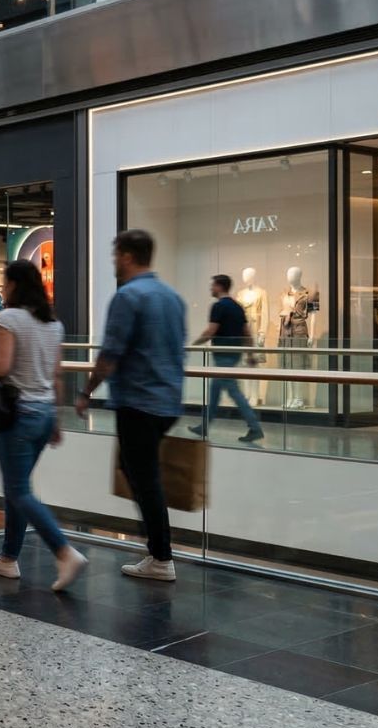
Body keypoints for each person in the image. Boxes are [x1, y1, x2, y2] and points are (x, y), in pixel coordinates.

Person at [0, 260, 88, 591]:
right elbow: (57, 375)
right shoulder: (53, 324)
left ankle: (64, 551)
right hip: (45, 413)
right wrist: (57, 421)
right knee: (16, 488)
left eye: (5, 284)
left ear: (15, 285)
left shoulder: (9, 319)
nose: (3, 290)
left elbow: (0, 369)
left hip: (19, 415)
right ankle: (7, 560)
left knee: (18, 490)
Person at [76, 229, 186, 582]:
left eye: (114, 255)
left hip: (139, 400)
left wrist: (86, 391)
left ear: (125, 256)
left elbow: (110, 354)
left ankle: (161, 556)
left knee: (145, 477)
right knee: (138, 470)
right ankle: (158, 551)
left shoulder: (128, 296)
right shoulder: (172, 297)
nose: (113, 262)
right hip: (167, 401)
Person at [191, 274, 264, 443]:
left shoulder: (218, 306)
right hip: (232, 354)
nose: (211, 288)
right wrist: (250, 354)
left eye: (213, 285)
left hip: (223, 356)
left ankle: (255, 428)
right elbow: (247, 333)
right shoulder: (237, 307)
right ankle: (204, 425)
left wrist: (192, 345)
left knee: (234, 392)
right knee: (215, 391)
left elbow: (210, 331)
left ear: (219, 287)